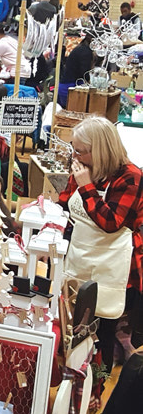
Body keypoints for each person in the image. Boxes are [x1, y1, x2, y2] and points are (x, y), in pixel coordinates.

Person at [59, 117, 143, 372]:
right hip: (80, 257)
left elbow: (110, 222)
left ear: (100, 150)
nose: (76, 155)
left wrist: (86, 187)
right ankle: (73, 378)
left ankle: (97, 384)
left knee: (102, 330)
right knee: (73, 324)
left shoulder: (131, 177)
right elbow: (67, 203)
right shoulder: (84, 167)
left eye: (80, 151)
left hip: (113, 268)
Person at [58, 30, 93, 107]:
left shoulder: (81, 48)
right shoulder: (85, 52)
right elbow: (85, 73)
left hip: (66, 85)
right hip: (70, 87)